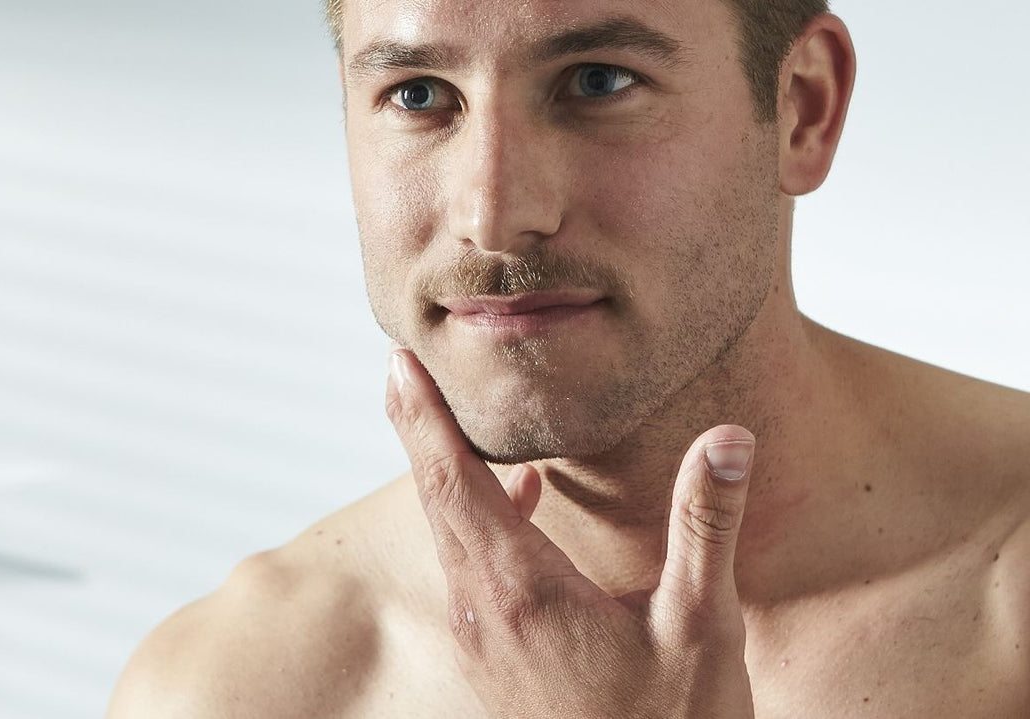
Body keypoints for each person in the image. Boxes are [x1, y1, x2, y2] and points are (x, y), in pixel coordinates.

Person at [107, 0, 1030, 716]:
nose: (495, 214)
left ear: (802, 110)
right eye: (419, 95)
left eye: (597, 80)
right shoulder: (233, 686)